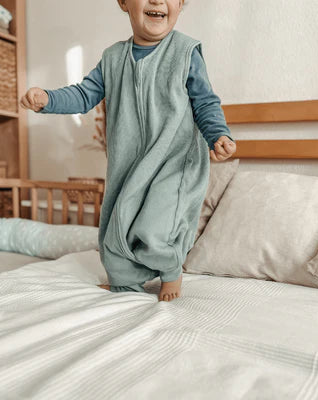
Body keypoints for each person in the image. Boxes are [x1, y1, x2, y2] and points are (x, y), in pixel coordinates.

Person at [20, 0, 237, 302]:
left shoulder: (185, 52)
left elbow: (204, 102)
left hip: (174, 161)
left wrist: (217, 134)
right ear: (123, 2)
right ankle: (123, 283)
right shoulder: (113, 58)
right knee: (116, 227)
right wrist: (48, 98)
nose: (157, 0)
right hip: (129, 163)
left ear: (181, 4)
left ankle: (170, 270)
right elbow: (84, 95)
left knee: (155, 226)